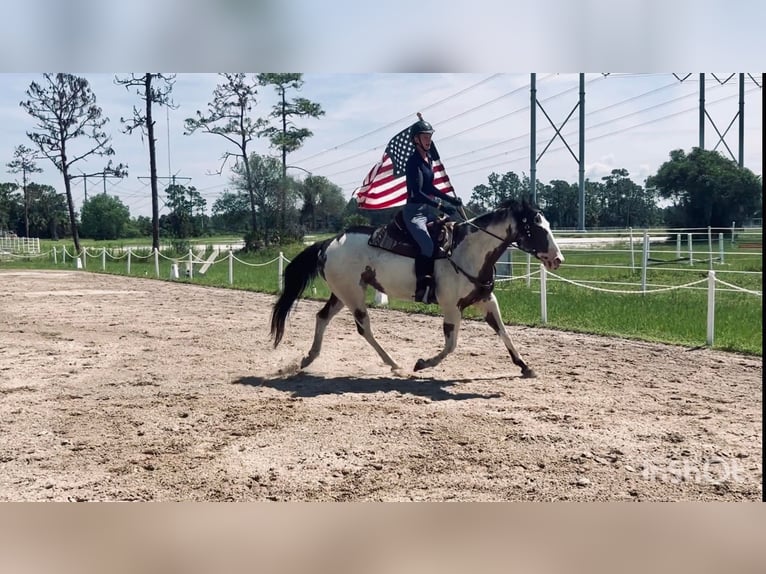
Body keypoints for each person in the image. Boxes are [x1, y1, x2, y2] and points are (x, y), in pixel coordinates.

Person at [402, 119, 463, 304]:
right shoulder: (413, 162)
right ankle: (422, 287)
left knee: (452, 230)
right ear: (416, 140)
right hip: (414, 212)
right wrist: (441, 206)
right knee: (427, 246)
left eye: (430, 136)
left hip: (427, 209)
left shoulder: (428, 161)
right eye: (425, 136)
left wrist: (450, 199)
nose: (428, 140)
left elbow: (431, 188)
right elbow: (417, 192)